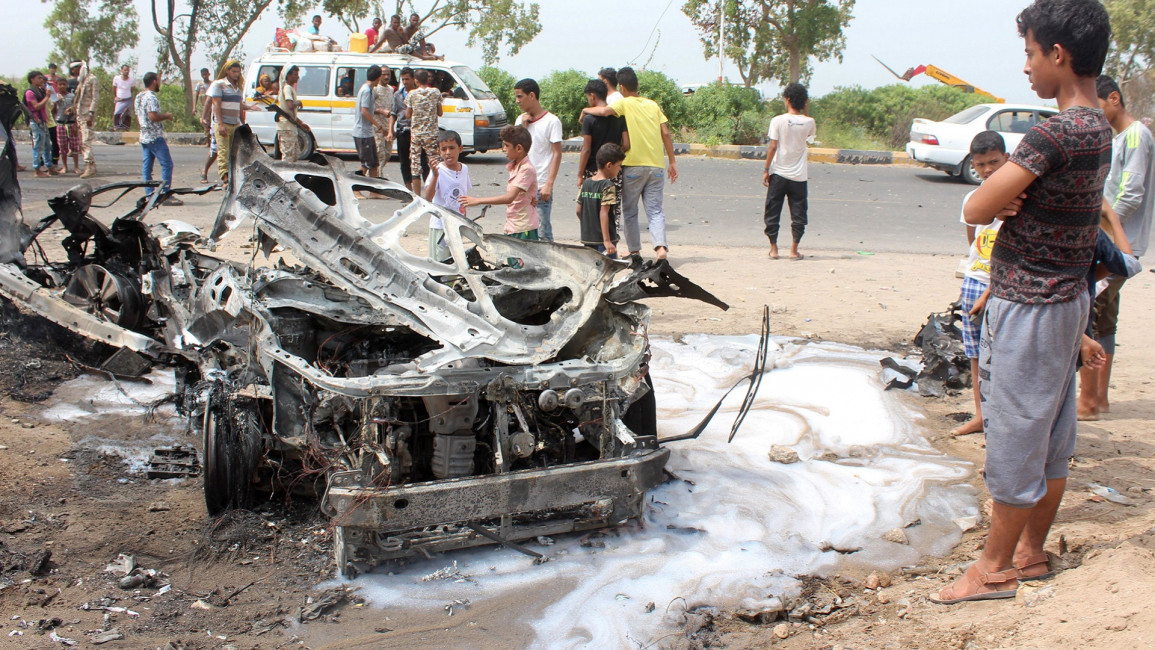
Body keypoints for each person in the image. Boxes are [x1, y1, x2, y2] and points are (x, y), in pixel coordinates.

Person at [931, 0, 1113, 605]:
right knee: (1053, 434)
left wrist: (999, 196)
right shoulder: (1099, 130)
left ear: (1058, 55)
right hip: (1067, 301)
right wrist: (1013, 195)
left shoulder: (1054, 132)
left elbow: (976, 208)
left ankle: (993, 569)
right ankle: (1032, 553)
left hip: (1031, 306)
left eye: (1031, 54)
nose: (1028, 68)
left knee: (1014, 437)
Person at [1077, 74, 1155, 420]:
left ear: (1113, 99)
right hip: (1114, 241)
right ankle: (1100, 399)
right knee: (1104, 316)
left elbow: (1131, 193)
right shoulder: (1119, 137)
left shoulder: (1136, 136)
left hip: (1119, 243)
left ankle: (1090, 401)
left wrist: (1101, 226)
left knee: (1092, 314)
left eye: (1096, 105)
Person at [581, 66, 678, 260]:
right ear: (637, 85)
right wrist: (673, 162)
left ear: (622, 87)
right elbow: (666, 133)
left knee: (630, 211)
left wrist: (585, 109)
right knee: (655, 210)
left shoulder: (624, 104)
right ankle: (660, 248)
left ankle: (634, 250)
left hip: (633, 165)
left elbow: (604, 111)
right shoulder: (653, 105)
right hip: (656, 165)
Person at [950, 131, 1010, 437]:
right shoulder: (972, 199)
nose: (988, 169)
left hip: (1003, 285)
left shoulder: (1018, 197)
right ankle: (980, 415)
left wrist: (991, 288)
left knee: (1003, 353)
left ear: (1007, 159)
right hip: (975, 280)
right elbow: (973, 240)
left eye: (994, 162)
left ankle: (1002, 419)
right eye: (981, 164)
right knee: (975, 353)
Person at [460, 125, 539, 248]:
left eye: (507, 146)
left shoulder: (526, 169)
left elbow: (509, 198)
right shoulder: (515, 166)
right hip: (513, 225)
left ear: (519, 148)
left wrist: (477, 200)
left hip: (523, 228)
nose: (504, 149)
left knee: (523, 265)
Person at [762, 82, 816, 260]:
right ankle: (794, 250)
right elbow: (809, 137)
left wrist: (766, 169)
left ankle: (774, 248)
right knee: (799, 213)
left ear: (788, 99)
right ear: (804, 102)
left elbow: (773, 146)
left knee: (773, 210)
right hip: (799, 176)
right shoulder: (810, 122)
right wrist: (805, 109)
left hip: (778, 173)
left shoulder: (777, 120)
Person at [512, 79, 562, 242]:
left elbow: (556, 153)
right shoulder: (520, 120)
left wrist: (549, 184)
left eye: (520, 96)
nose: (517, 101)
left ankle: (549, 266)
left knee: (542, 231)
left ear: (532, 95)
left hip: (540, 186)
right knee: (523, 230)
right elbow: (514, 151)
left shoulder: (551, 121)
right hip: (521, 186)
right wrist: (523, 129)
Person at [134, 72, 182, 206]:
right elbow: (153, 116)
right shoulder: (151, 97)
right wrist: (166, 116)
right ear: (154, 81)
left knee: (147, 167)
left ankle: (150, 194)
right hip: (154, 136)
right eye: (159, 80)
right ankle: (165, 194)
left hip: (144, 136)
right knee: (167, 164)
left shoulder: (139, 96)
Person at [424, 130, 471, 262]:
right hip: (440, 226)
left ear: (460, 149)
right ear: (439, 151)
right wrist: (435, 176)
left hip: (457, 225)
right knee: (440, 263)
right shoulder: (438, 170)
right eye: (443, 149)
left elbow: (463, 195)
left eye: (451, 148)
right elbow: (428, 197)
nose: (448, 152)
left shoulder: (464, 169)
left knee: (456, 261)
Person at [207, 60, 256, 183]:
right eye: (234, 71)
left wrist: (243, 124)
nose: (236, 74)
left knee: (233, 153)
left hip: (235, 124)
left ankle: (232, 176)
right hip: (223, 123)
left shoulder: (237, 88)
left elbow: (239, 107)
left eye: (238, 72)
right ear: (227, 71)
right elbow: (216, 105)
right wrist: (220, 124)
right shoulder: (219, 85)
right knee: (223, 151)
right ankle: (225, 178)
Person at [576, 143, 625, 257]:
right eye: (619, 166)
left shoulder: (586, 183)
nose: (619, 169)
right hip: (604, 241)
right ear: (609, 165)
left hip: (588, 239)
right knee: (608, 271)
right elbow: (604, 213)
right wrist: (607, 240)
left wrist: (590, 225)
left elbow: (578, 210)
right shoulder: (608, 186)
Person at [405, 69, 443, 196]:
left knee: (415, 164)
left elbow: (407, 114)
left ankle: (417, 196)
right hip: (431, 135)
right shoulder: (435, 92)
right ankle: (434, 193)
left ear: (415, 80)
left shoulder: (411, 94)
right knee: (434, 162)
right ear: (427, 79)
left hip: (416, 134)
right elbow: (440, 112)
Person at [391, 68, 429, 190]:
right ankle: (409, 190)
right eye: (403, 79)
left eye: (407, 79)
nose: (405, 82)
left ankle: (428, 188)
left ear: (414, 79)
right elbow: (393, 113)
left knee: (422, 161)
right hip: (403, 131)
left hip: (418, 131)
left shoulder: (421, 94)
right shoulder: (398, 95)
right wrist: (390, 130)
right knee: (404, 162)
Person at [353, 64, 387, 187]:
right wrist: (379, 126)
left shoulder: (370, 90)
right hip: (362, 132)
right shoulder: (366, 90)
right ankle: (356, 188)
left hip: (367, 132)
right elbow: (364, 111)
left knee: (373, 163)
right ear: (378, 77)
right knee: (365, 164)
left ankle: (374, 191)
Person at [276, 66, 311, 162]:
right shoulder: (287, 88)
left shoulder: (289, 88)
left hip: (290, 126)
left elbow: (289, 113)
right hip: (286, 127)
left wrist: (301, 123)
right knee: (288, 156)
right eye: (295, 75)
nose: (297, 77)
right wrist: (298, 103)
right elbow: (290, 106)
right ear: (288, 76)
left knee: (295, 155)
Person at [24, 71, 55, 177]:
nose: (41, 80)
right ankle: (37, 169)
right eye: (39, 78)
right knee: (38, 146)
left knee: (47, 145)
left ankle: (50, 167)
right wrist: (46, 97)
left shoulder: (40, 91)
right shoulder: (30, 92)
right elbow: (36, 107)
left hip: (43, 121)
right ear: (32, 79)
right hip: (36, 122)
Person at [70, 61, 98, 178]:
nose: (73, 72)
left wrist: (91, 113)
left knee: (86, 141)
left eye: (74, 69)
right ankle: (90, 166)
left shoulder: (92, 79)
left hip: (87, 115)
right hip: (80, 115)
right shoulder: (81, 81)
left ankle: (90, 166)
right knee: (82, 143)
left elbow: (95, 98)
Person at [54, 77, 79, 174]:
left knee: (74, 146)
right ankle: (65, 167)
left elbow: (76, 110)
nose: (62, 86)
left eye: (64, 84)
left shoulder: (72, 96)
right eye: (60, 84)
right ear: (57, 86)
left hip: (71, 123)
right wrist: (56, 102)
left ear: (67, 85)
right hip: (60, 123)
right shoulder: (55, 97)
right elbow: (52, 111)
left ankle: (76, 167)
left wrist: (76, 124)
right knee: (62, 147)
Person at [372, 69, 394, 175]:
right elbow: (368, 108)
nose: (386, 77)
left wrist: (391, 129)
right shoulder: (375, 89)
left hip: (387, 127)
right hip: (377, 128)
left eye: (388, 74)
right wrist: (381, 111)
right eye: (383, 74)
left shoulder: (390, 89)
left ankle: (371, 175)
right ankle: (377, 181)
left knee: (387, 154)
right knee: (379, 155)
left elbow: (392, 111)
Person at [112, 64, 135, 132]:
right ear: (121, 70)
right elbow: (114, 88)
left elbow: (132, 89)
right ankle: (116, 127)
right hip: (119, 99)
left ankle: (126, 128)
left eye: (128, 70)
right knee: (117, 113)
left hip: (128, 99)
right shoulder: (117, 78)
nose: (126, 71)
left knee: (127, 114)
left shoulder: (131, 80)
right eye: (125, 70)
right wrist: (115, 96)